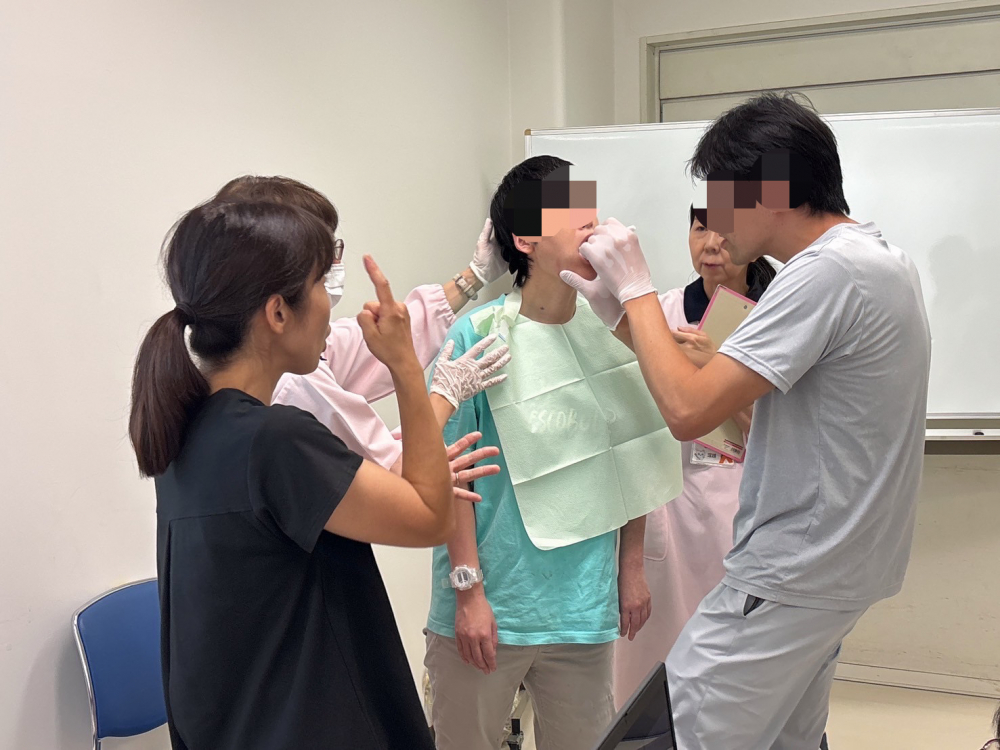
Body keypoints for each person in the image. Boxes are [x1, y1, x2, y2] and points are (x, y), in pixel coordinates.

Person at [564, 93, 932, 749]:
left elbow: (687, 410)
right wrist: (622, 316)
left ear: (774, 191)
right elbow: (701, 377)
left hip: (792, 568)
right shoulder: (880, 262)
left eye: (722, 197)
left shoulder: (824, 274)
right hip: (836, 570)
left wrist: (637, 291)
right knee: (788, 741)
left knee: (677, 736)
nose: (714, 223)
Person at [128, 196, 508, 749]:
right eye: (319, 282)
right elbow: (430, 516)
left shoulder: (188, 430)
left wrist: (469, 279)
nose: (331, 305)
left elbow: (346, 360)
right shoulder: (276, 439)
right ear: (278, 313)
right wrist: (408, 367)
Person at [423, 156, 682, 750]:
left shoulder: (614, 333)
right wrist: (469, 592)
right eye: (573, 212)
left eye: (591, 210)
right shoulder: (478, 336)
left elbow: (633, 452)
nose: (592, 224)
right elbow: (451, 473)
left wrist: (631, 568)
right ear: (525, 240)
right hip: (490, 604)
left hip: (581, 605)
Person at [213, 175, 509, 472]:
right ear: (278, 309)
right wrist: (443, 397)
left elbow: (367, 342)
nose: (335, 268)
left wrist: (475, 276)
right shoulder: (295, 384)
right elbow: (398, 475)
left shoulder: (242, 358)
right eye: (322, 273)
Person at [612, 206, 775, 707]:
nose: (712, 243)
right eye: (701, 227)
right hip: (672, 509)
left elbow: (788, 431)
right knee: (655, 663)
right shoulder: (658, 315)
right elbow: (632, 422)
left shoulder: (774, 317)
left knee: (740, 669)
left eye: (725, 229)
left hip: (749, 507)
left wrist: (712, 374)